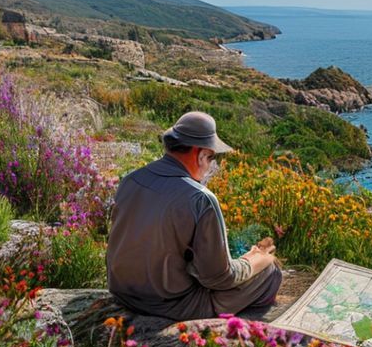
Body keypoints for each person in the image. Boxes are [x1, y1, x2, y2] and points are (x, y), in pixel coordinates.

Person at [106, 111, 282, 321]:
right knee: (271, 272)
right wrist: (257, 259)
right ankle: (247, 328)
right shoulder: (199, 198)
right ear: (201, 155)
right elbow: (219, 278)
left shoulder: (131, 179)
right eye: (210, 158)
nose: (208, 167)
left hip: (122, 293)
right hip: (170, 306)